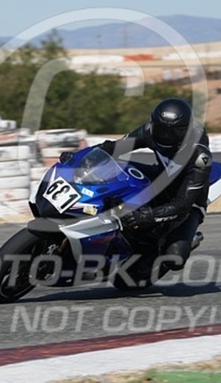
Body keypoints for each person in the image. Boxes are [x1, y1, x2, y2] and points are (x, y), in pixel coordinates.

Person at [90, 97, 212, 272]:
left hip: (188, 201)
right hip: (161, 178)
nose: (165, 136)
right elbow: (114, 148)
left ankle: (178, 244)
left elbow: (182, 205)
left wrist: (147, 217)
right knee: (113, 170)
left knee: (175, 258)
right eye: (160, 130)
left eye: (172, 133)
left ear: (185, 132)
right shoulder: (149, 131)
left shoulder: (199, 156)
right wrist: (82, 157)